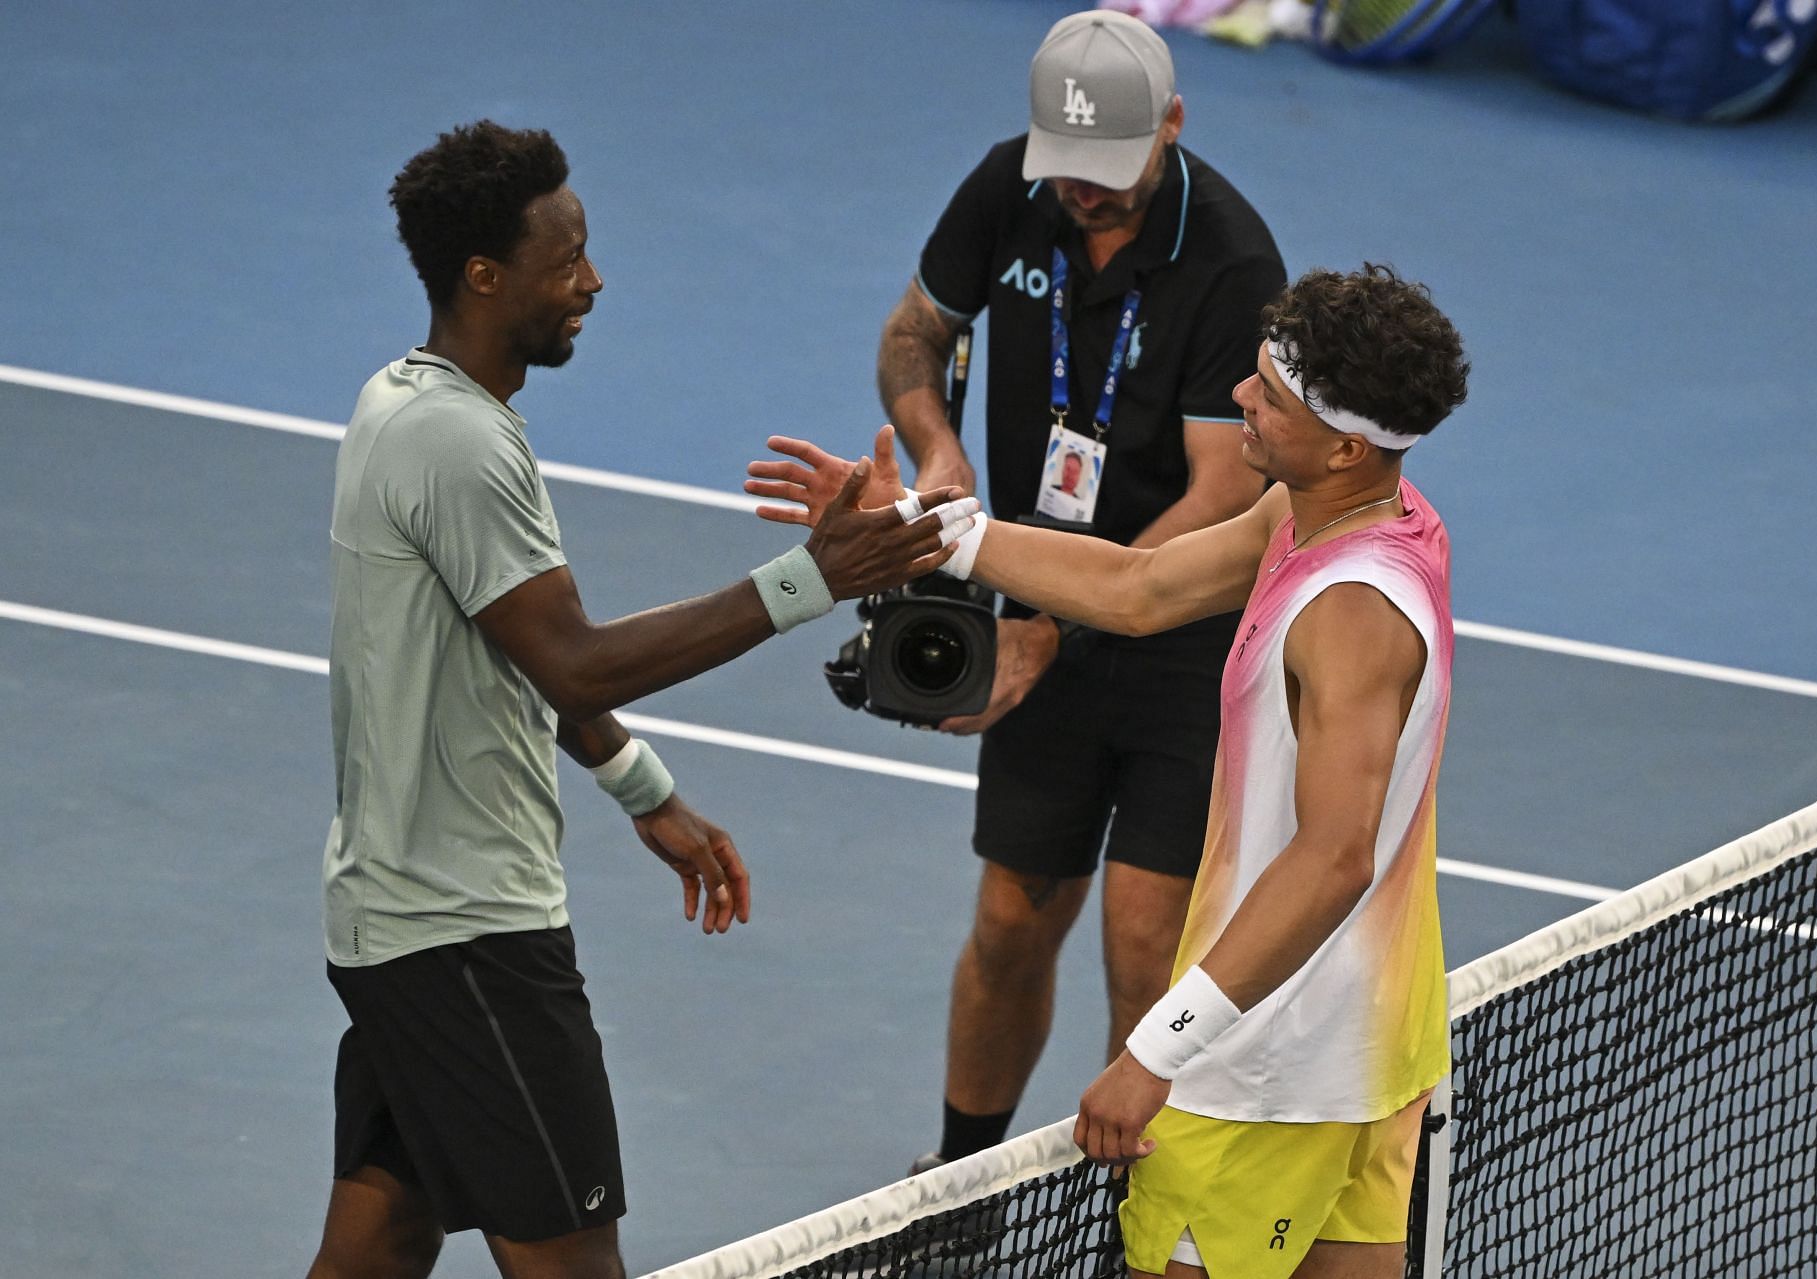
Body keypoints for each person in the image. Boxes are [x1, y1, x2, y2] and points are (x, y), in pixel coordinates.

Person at [307, 121, 975, 1279]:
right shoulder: (459, 445)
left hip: (398, 924)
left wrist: (643, 789)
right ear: (483, 275)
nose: (593, 281)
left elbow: (514, 655)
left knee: (380, 1238)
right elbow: (572, 660)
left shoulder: (404, 406)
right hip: (469, 937)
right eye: (566, 259)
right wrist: (817, 576)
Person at [744, 262, 1469, 1278]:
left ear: (1347, 442)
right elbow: (1138, 587)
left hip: (1257, 1075)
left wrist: (1158, 1049)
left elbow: (1336, 855)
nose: (1239, 397)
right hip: (1370, 1052)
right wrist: (930, 527)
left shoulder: (1349, 611)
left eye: (1269, 391)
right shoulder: (1353, 513)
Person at [773, 7, 1288, 1171]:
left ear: (1173, 126)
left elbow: (1220, 493)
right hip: (1032, 598)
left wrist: (1048, 618)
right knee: (1011, 920)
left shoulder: (1234, 260)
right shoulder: (1010, 187)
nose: (1085, 196)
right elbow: (913, 336)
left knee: (1145, 943)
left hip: (1179, 639)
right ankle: (959, 1182)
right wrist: (938, 452)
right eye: (1069, 173)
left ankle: (1133, 1213)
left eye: (1110, 175)